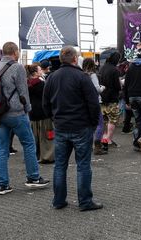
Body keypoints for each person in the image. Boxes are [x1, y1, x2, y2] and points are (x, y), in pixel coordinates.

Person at [43, 46, 102, 211]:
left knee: (60, 165)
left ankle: (58, 200)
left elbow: (45, 103)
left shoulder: (52, 78)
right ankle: (85, 201)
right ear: (75, 59)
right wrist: (92, 124)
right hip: (81, 126)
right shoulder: (82, 77)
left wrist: (54, 118)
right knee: (83, 165)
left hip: (61, 126)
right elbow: (93, 103)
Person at [0, 42, 50, 195]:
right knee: (29, 143)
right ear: (14, 52)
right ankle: (33, 177)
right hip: (15, 112)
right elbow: (23, 92)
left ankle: (2, 184)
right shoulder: (17, 67)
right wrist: (27, 109)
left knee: (1, 147)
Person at [26, 63, 55, 164]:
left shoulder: (27, 83)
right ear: (35, 73)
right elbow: (47, 97)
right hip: (43, 112)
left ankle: (34, 155)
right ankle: (47, 156)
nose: (41, 71)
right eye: (39, 70)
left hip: (32, 113)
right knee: (47, 135)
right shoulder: (41, 83)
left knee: (35, 137)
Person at [83, 58, 107, 155]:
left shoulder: (81, 75)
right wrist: (103, 87)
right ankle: (97, 146)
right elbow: (97, 89)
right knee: (100, 124)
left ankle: (87, 146)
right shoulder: (92, 75)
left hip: (84, 103)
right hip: (94, 102)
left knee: (88, 125)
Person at [99, 52, 122, 151]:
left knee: (103, 120)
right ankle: (108, 140)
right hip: (112, 97)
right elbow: (117, 86)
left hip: (102, 97)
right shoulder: (115, 70)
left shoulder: (102, 68)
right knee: (112, 119)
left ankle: (103, 138)